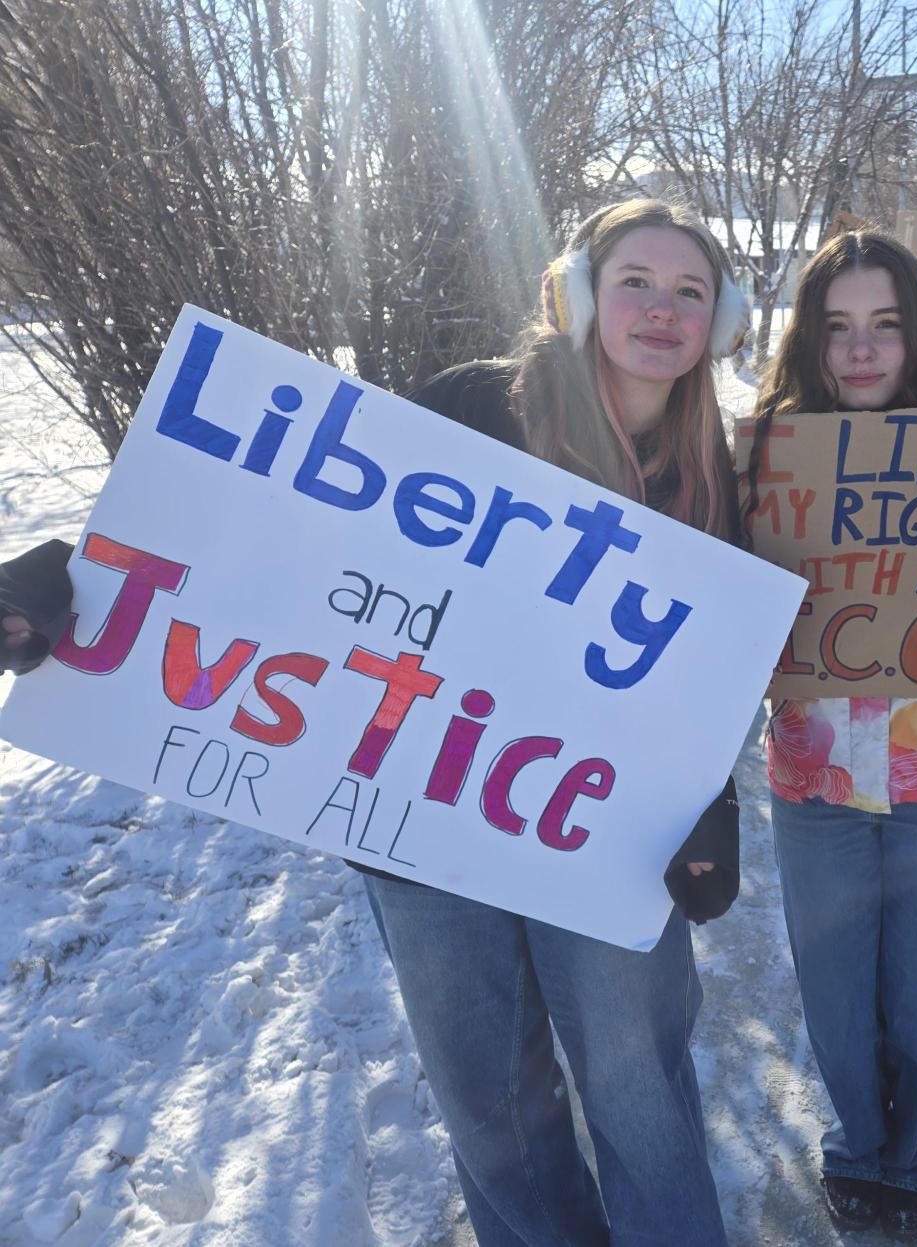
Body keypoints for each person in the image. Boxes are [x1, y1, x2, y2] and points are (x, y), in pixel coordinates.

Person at [2, 198, 751, 1247]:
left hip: (604, 839)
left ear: (721, 323)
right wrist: (81, 580)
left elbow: (710, 673)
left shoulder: (718, 471)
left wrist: (710, 804)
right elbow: (287, 535)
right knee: (490, 1107)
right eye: (635, 279)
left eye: (690, 291)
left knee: (641, 1097)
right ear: (581, 293)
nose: (661, 309)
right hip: (428, 827)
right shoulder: (465, 408)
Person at [740, 229, 917, 1242]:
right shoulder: (763, 453)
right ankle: (860, 1140)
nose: (860, 350)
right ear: (809, 338)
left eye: (885, 326)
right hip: (815, 779)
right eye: (837, 326)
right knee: (838, 990)